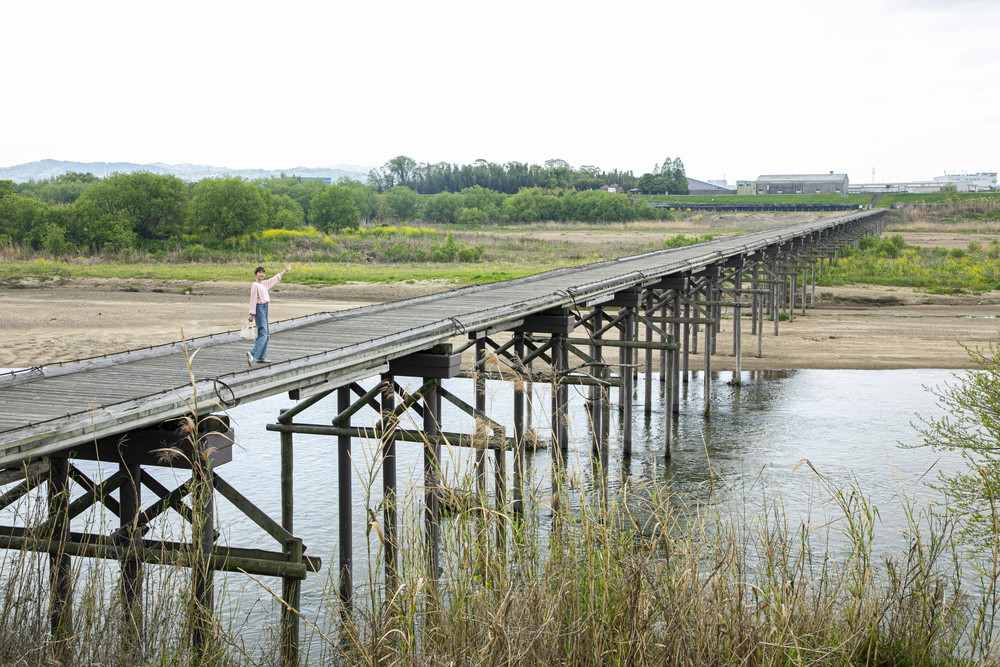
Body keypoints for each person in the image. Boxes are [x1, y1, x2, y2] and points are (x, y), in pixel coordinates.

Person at [247, 264, 292, 364]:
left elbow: (274, 279)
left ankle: (261, 357)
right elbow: (253, 299)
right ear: (256, 274)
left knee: (267, 334)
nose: (262, 274)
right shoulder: (255, 285)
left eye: (263, 272)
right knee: (263, 333)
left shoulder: (263, 284)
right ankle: (252, 353)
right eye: (260, 272)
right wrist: (251, 314)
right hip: (259, 309)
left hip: (265, 307)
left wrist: (285, 270)